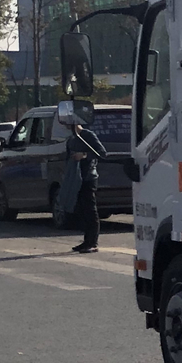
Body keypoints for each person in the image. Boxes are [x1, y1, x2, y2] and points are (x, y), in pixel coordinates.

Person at [61, 105, 108, 254]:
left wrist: (84, 155)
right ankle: (86, 240)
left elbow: (102, 153)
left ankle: (93, 242)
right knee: (80, 209)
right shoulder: (71, 141)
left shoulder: (87, 136)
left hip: (88, 177)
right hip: (76, 179)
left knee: (90, 209)